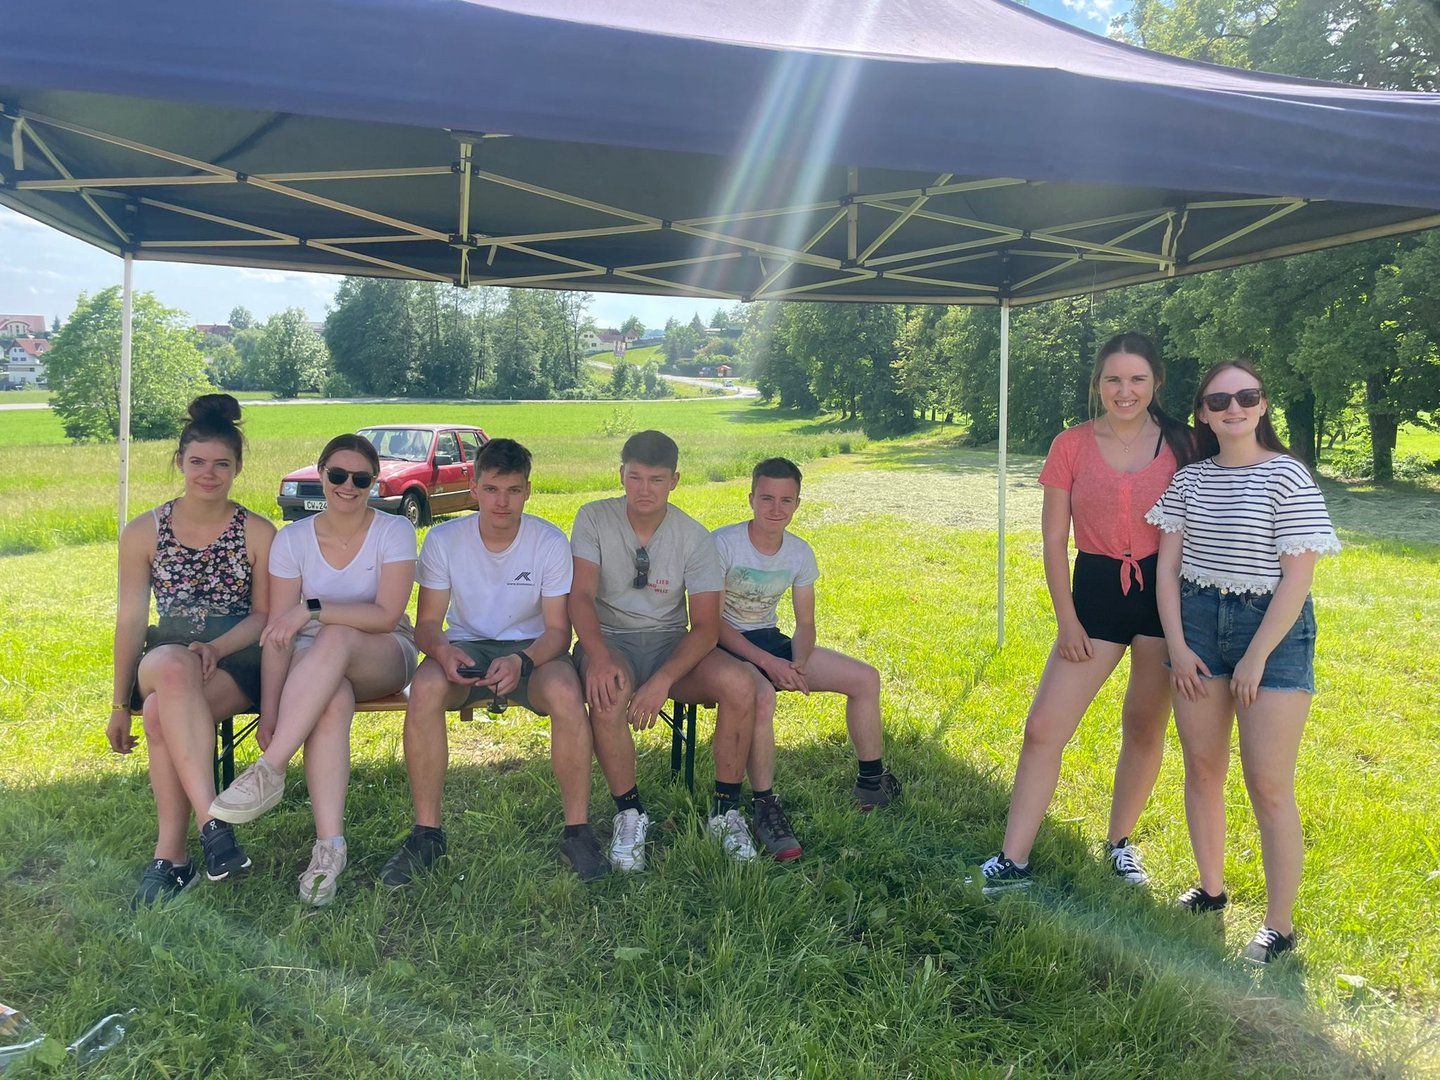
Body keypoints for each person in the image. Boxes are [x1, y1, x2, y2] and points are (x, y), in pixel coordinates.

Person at [978, 332, 1195, 896]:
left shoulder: (1184, 443)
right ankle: (1012, 861)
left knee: (1144, 725)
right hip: (1095, 593)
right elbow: (1054, 541)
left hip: (1166, 597)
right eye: (1113, 379)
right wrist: (1067, 620)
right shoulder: (1070, 444)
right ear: (1098, 383)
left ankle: (1120, 843)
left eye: (1137, 379)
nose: (1125, 391)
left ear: (1156, 382)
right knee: (1043, 728)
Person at [1148, 360, 1338, 965]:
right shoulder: (1189, 482)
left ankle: (1278, 926)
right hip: (1197, 629)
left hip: (1273, 633)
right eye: (1219, 400)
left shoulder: (1288, 476)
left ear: (1262, 406)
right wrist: (1178, 647)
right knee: (1203, 768)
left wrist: (1257, 658)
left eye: (1247, 396)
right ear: (1203, 414)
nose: (1234, 408)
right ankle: (1211, 890)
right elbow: (1168, 570)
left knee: (1268, 784)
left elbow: (1297, 580)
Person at [381, 438, 606, 884]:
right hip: (466, 647)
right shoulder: (444, 539)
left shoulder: (548, 541)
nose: (502, 502)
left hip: (533, 649)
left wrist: (522, 660)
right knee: (425, 688)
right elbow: (428, 625)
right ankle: (426, 833)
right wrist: (443, 652)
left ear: (528, 491)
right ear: (473, 488)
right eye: (491, 489)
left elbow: (558, 632)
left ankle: (577, 831)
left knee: (566, 692)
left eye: (514, 490)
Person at [209, 433, 418, 906]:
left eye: (361, 479)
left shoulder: (394, 531)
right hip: (315, 663)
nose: (348, 486)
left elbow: (386, 615)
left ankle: (270, 772)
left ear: (374, 483)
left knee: (335, 636)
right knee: (331, 699)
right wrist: (270, 712)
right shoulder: (294, 539)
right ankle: (329, 850)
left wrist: (313, 608)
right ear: (321, 475)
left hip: (384, 651)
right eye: (338, 475)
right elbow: (278, 635)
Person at [109, 394, 275, 907]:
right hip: (165, 653)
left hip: (235, 657)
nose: (209, 473)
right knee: (173, 668)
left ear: (238, 468)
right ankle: (213, 822)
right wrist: (118, 704)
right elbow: (131, 621)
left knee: (160, 714)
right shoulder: (144, 530)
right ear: (179, 461)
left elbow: (264, 616)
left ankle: (172, 860)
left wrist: (216, 647)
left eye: (221, 464)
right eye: (198, 461)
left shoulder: (258, 531)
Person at [569, 430, 758, 868]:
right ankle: (630, 812)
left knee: (739, 684)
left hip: (671, 642)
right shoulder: (594, 517)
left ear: (674, 480)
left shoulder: (694, 536)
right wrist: (598, 657)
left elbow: (706, 627)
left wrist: (662, 681)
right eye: (635, 477)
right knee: (608, 691)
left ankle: (725, 812)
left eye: (656, 480)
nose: (644, 489)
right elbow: (580, 596)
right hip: (610, 638)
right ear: (621, 474)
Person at [713, 457, 901, 862]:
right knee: (763, 696)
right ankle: (764, 805)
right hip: (722, 646)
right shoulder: (723, 544)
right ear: (750, 499)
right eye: (766, 498)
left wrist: (797, 663)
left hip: (772, 641)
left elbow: (806, 623)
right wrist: (771, 665)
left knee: (865, 678)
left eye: (786, 500)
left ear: (797, 504)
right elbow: (710, 624)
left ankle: (871, 783)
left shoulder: (799, 553)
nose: (775, 509)